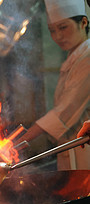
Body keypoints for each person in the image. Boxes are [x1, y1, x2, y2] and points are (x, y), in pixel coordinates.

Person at [19, 0, 89, 170]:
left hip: (85, 153)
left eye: (63, 27)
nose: (57, 36)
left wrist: (19, 142)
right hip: (72, 150)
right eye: (52, 30)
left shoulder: (88, 58)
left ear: (84, 23)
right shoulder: (74, 57)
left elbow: (64, 112)